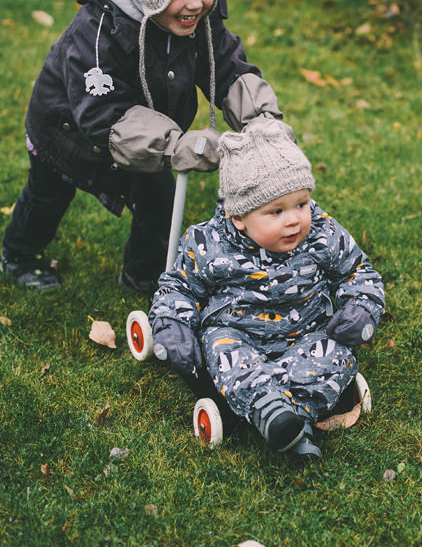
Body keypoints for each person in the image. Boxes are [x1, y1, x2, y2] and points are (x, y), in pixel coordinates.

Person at [0, 0, 286, 294]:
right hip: (66, 134)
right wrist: (173, 144)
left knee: (159, 199)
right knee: (47, 195)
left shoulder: (196, 21)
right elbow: (104, 113)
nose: (195, 4)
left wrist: (262, 119)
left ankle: (145, 275)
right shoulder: (96, 32)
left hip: (146, 141)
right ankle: (19, 254)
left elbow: (227, 66)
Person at [148, 122, 385, 457]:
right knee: (223, 353)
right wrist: (172, 323)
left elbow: (357, 271)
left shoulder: (322, 232)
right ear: (238, 217)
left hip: (307, 329)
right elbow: (179, 287)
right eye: (276, 211)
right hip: (237, 332)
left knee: (339, 351)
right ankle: (273, 407)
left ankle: (284, 413)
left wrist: (362, 307)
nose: (294, 219)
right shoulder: (208, 243)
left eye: (301, 204)